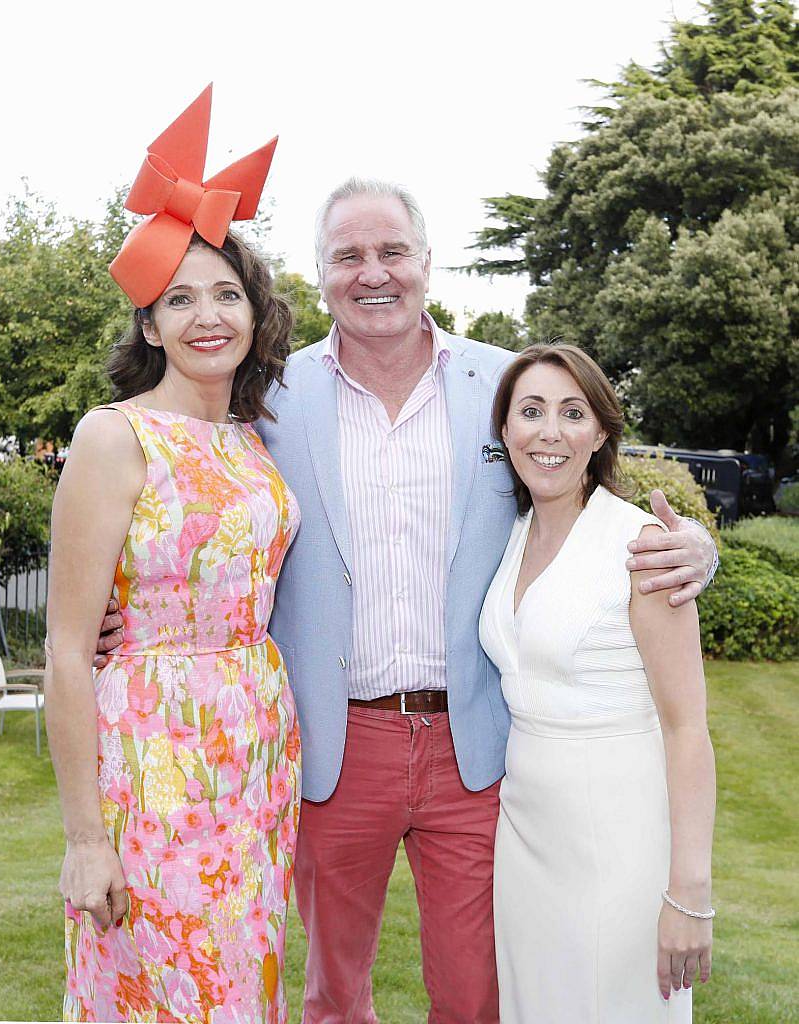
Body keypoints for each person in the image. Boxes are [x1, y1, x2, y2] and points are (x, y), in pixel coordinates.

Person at [98, 177, 718, 1023]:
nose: (372, 272)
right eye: (347, 256)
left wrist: (697, 552)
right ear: (319, 275)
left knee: (472, 996)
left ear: (426, 262)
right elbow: (195, 507)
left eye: (391, 251)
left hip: (472, 744)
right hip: (333, 744)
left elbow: (588, 495)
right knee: (331, 995)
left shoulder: (502, 386)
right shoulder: (266, 397)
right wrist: (120, 618)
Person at [45, 86, 301, 1024]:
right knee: (160, 988)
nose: (207, 316)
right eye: (179, 298)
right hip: (150, 757)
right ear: (148, 325)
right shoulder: (114, 438)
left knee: (241, 987)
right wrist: (85, 837)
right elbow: (69, 650)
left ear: (253, 313)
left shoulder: (251, 439)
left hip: (256, 753)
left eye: (226, 294)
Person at [480, 343, 715, 1022]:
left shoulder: (642, 547)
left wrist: (687, 892)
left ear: (601, 432)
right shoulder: (513, 535)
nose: (548, 432)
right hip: (525, 841)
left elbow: (686, 727)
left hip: (619, 842)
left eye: (570, 412)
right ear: (503, 429)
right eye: (529, 411)